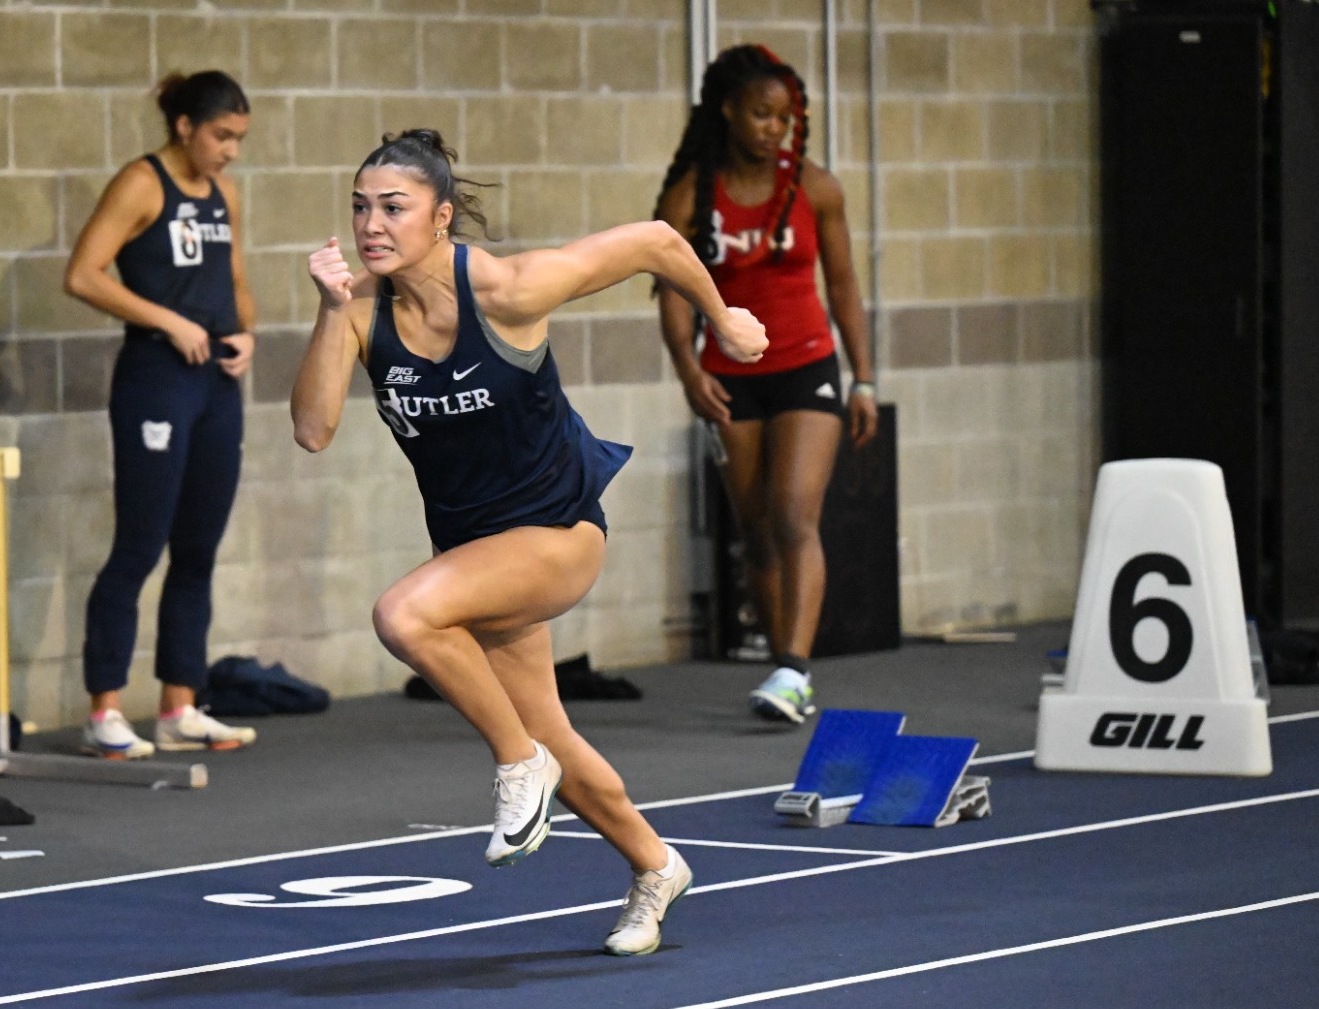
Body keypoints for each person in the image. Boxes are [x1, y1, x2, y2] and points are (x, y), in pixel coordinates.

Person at [291, 130, 768, 955]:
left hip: (557, 528)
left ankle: (518, 764)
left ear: (442, 217)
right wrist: (331, 311)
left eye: (394, 207)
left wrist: (722, 320)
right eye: (361, 207)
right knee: (552, 730)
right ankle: (655, 865)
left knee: (403, 614)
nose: (371, 224)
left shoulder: (507, 289)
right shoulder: (364, 314)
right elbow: (311, 428)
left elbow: (657, 241)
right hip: (476, 552)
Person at [653, 45, 878, 725]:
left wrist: (864, 378)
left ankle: (794, 669)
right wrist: (689, 370)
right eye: (761, 114)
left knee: (792, 514)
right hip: (730, 378)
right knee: (755, 532)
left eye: (785, 117)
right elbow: (671, 295)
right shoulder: (692, 195)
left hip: (807, 366)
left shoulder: (815, 188)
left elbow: (844, 286)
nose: (774, 128)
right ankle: (784, 667)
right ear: (728, 111)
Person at [62, 70, 259, 758]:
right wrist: (167, 321)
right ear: (184, 126)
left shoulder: (225, 194)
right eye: (221, 136)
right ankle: (104, 710)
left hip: (215, 384)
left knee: (198, 549)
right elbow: (82, 274)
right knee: (140, 545)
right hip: (156, 379)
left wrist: (247, 333)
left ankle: (180, 705)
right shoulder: (141, 183)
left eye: (239, 138)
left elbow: (235, 280)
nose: (231, 150)